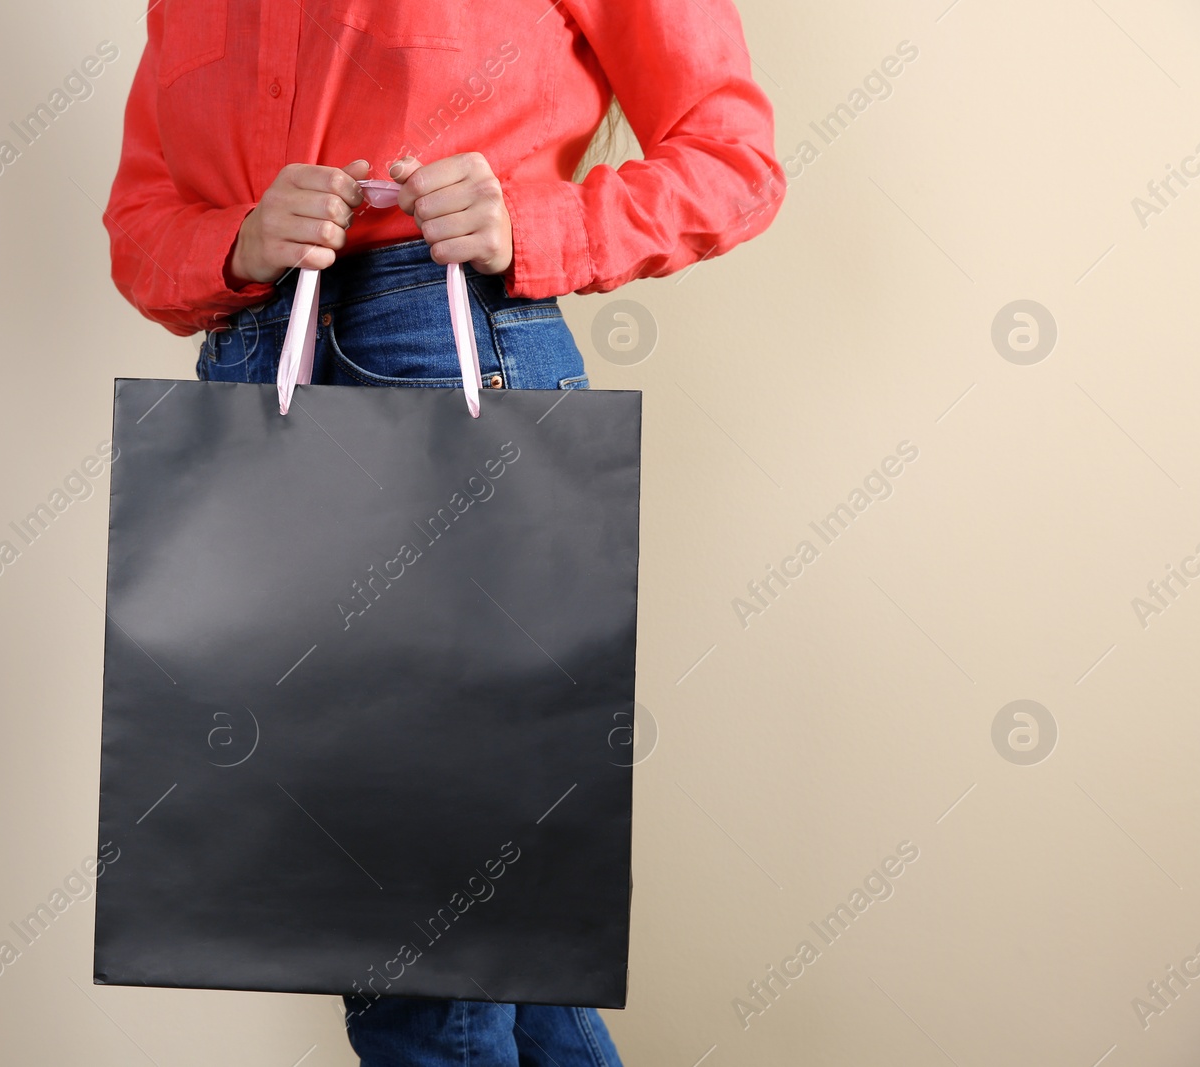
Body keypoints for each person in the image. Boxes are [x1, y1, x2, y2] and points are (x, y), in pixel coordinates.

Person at [103, 0, 783, 1061]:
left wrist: (534, 222)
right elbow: (140, 223)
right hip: (253, 374)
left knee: (414, 951)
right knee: (493, 940)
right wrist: (233, 238)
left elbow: (736, 159)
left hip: (448, 351)